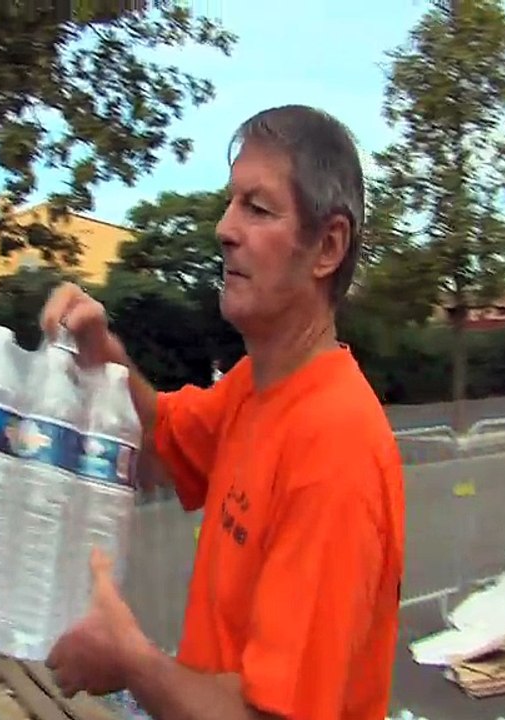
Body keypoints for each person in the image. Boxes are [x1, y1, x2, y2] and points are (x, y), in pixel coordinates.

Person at [41, 105, 405, 720]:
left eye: (257, 208)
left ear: (328, 246)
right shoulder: (254, 388)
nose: (223, 228)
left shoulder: (335, 448)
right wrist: (106, 359)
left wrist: (131, 657)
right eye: (231, 202)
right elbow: (158, 439)